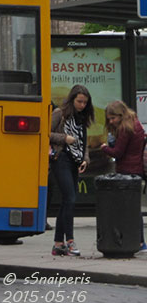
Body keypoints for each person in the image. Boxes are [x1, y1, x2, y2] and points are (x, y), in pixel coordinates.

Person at [49, 84, 94, 257]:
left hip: (75, 160)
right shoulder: (59, 114)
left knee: (67, 200)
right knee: (70, 198)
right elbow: (46, 133)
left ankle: (58, 243)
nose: (82, 105)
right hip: (61, 158)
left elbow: (84, 142)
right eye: (79, 101)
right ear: (72, 99)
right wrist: (64, 138)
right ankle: (70, 240)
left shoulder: (82, 118)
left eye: (85, 102)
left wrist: (85, 159)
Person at [100, 100, 146, 252]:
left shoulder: (125, 129)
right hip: (136, 170)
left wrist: (105, 148)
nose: (111, 121)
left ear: (121, 114)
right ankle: (140, 241)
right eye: (109, 119)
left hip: (127, 170)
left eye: (113, 118)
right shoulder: (135, 122)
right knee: (134, 208)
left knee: (127, 210)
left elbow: (118, 153)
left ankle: (136, 241)